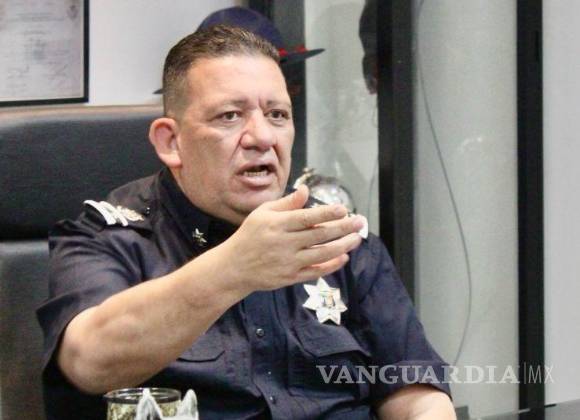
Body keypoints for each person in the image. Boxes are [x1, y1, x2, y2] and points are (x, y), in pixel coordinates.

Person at [37, 25, 456, 419]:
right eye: (230, 116)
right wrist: (233, 268)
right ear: (171, 141)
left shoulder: (336, 238)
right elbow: (89, 362)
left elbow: (415, 391)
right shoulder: (107, 236)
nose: (262, 137)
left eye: (277, 115)